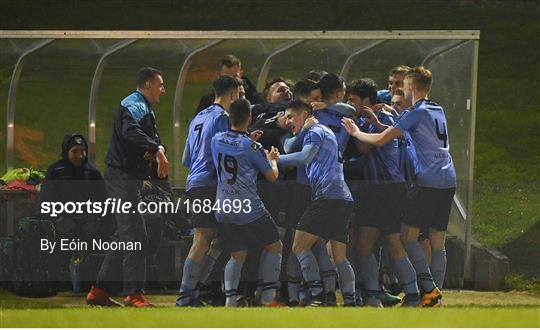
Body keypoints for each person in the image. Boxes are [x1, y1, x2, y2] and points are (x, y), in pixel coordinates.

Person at [342, 66, 456, 307]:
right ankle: (433, 295)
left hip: (426, 180)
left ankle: (427, 290)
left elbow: (382, 140)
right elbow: (404, 136)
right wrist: (378, 124)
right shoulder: (437, 109)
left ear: (412, 87)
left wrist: (356, 131)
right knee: (437, 241)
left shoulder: (415, 111)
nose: (401, 89)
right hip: (448, 179)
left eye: (404, 85)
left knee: (407, 236)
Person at [87, 67, 168, 308]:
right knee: (135, 235)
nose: (163, 90)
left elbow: (147, 137)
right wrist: (156, 149)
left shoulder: (142, 107)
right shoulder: (135, 104)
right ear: (148, 84)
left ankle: (99, 290)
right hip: (121, 178)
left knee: (125, 235)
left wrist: (158, 148)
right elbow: (130, 132)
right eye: (160, 85)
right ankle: (134, 294)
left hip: (125, 178)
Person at [178, 76, 262, 306]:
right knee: (203, 239)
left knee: (214, 240)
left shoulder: (199, 116)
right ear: (233, 95)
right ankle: (185, 296)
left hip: (194, 181)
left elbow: (186, 158)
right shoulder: (222, 117)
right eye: (240, 95)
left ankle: (193, 291)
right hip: (210, 184)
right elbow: (227, 153)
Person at [345, 78, 420, 307]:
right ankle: (374, 295)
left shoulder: (383, 119)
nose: (349, 104)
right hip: (374, 190)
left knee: (393, 245)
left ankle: (414, 294)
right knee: (364, 245)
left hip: (388, 189)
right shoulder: (372, 117)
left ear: (367, 100)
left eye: (353, 100)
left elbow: (364, 146)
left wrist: (355, 130)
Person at [279, 100, 356, 307]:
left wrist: (276, 160)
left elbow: (304, 158)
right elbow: (292, 145)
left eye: (290, 116)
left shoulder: (315, 131)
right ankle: (350, 301)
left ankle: (318, 294)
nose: (287, 121)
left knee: (298, 246)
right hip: (343, 197)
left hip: (327, 197)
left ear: (305, 114)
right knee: (339, 255)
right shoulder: (324, 131)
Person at [211, 99, 283, 307]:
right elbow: (272, 176)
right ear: (249, 118)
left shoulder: (216, 139)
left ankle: (230, 300)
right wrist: (273, 160)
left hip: (224, 206)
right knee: (275, 246)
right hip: (249, 207)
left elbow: (233, 148)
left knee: (238, 254)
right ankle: (268, 298)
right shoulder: (252, 146)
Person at [40, 133, 116, 301]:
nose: (80, 155)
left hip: (89, 223)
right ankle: (61, 283)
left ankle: (95, 284)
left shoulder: (92, 172)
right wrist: (59, 220)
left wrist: (97, 220)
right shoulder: (55, 171)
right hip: (62, 223)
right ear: (66, 151)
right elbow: (46, 202)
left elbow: (104, 202)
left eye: (82, 151)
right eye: (75, 151)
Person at [196, 54, 263, 112]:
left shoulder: (253, 97)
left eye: (234, 77)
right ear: (218, 75)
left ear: (241, 74)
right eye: (226, 77)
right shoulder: (208, 101)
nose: (231, 82)